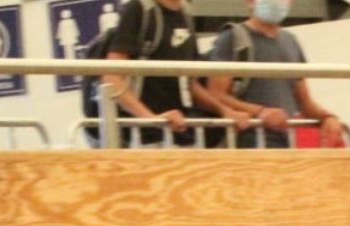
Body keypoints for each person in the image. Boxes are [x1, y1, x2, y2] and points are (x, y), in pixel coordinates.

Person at [98, 0, 245, 147]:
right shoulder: (138, 9)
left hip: (180, 135)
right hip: (143, 139)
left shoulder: (186, 14)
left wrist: (224, 110)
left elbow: (188, 83)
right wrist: (150, 118)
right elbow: (111, 77)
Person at [202, 0, 346, 148]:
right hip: (245, 143)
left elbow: (304, 102)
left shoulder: (291, 42)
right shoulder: (232, 38)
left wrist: (328, 117)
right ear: (250, 2)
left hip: (284, 144)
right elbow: (215, 95)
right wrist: (260, 112)